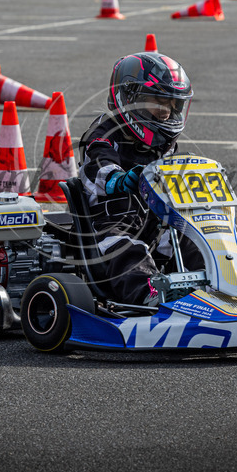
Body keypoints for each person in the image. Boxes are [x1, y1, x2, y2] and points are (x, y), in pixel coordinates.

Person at [78, 52, 199, 306]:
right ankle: (151, 296)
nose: (166, 113)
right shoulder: (102, 135)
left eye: (172, 105)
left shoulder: (162, 142)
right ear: (130, 98)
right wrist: (122, 179)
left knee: (197, 237)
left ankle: (225, 288)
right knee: (128, 251)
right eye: (158, 102)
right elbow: (98, 169)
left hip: (154, 221)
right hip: (111, 225)